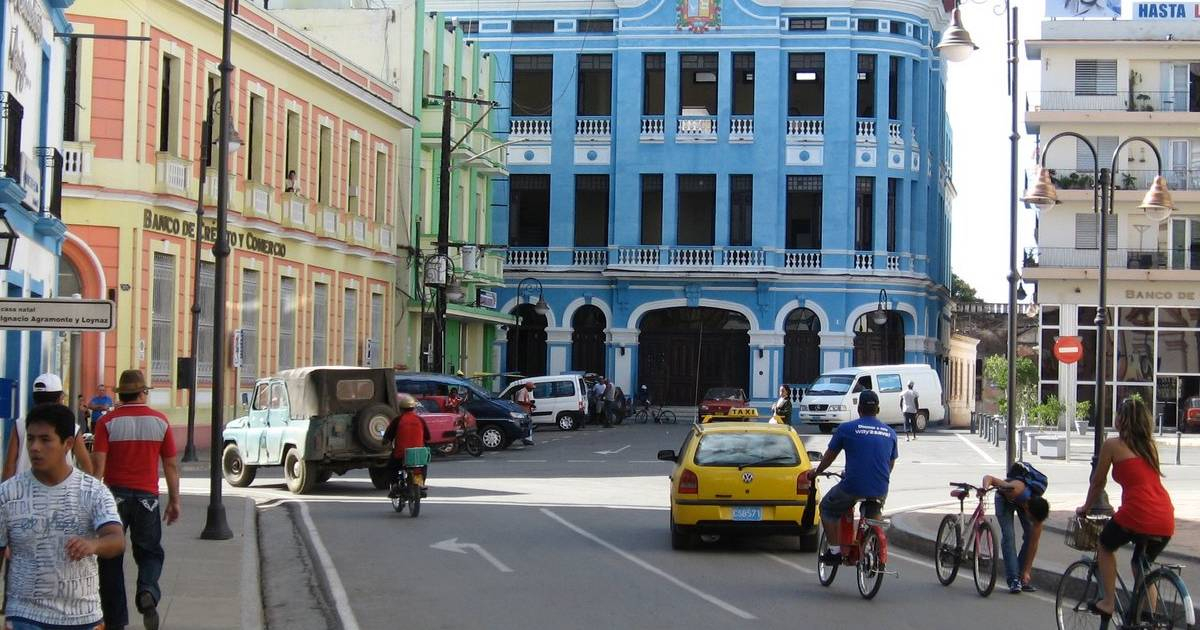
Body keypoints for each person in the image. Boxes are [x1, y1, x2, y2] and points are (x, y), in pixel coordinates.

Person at [0, 403, 124, 630]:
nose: (35, 447)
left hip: (83, 617)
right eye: (30, 439)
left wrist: (94, 544)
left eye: (45, 439)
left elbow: (116, 540)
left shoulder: (93, 491)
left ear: (67, 444)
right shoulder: (7, 494)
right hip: (25, 616)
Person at [93, 369, 181, 630]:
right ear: (143, 393)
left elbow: (98, 467)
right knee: (150, 552)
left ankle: (116, 620)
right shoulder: (160, 422)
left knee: (110, 556)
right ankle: (148, 592)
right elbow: (171, 466)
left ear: (122, 394)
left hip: (114, 498)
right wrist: (174, 501)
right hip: (147, 499)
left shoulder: (106, 423)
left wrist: (91, 500)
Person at [1076, 397, 1175, 621]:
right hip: (1164, 514)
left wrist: (1086, 507)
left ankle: (1108, 602)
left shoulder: (1112, 445)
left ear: (1121, 419)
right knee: (1142, 566)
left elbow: (1098, 483)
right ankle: (1148, 616)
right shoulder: (1149, 446)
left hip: (1137, 512)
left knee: (1104, 545)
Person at [807, 390, 898, 566]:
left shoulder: (846, 429)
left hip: (853, 486)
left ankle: (834, 552)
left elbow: (829, 457)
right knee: (873, 517)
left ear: (859, 408)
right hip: (880, 487)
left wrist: (817, 472)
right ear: (877, 409)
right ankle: (872, 545)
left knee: (827, 508)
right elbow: (890, 464)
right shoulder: (890, 433)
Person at [3, 373, 93, 481]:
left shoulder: (20, 424)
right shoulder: (70, 426)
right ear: (60, 399)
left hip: (23, 491)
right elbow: (86, 466)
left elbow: (9, 466)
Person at [983, 463, 1051, 593]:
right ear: (1028, 510)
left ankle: (1020, 577)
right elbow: (989, 478)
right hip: (1003, 500)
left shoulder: (1037, 514)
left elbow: (1033, 544)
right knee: (1009, 536)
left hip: (1022, 502)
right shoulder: (1014, 489)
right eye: (1031, 518)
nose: (1032, 521)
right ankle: (1014, 579)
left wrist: (1027, 571)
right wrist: (984, 489)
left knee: (1031, 535)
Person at [383, 394, 430, 497]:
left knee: (391, 466)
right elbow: (428, 437)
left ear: (401, 409)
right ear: (413, 408)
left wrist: (385, 442)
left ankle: (395, 486)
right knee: (421, 467)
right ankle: (420, 484)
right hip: (417, 454)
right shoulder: (420, 420)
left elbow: (388, 436)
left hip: (401, 454)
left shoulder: (397, 420)